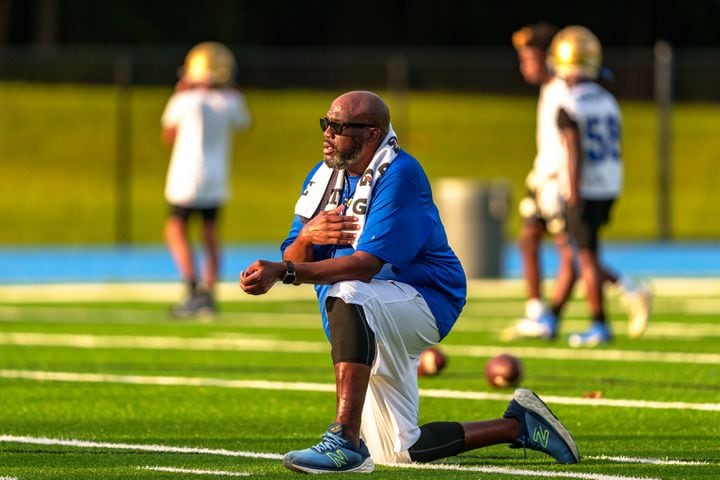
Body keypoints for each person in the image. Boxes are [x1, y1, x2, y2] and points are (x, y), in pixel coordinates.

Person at [239, 91, 579, 473]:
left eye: (338, 126)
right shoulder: (322, 178)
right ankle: (519, 425)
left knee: (350, 292)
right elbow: (294, 256)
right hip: (370, 314)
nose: (327, 133)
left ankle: (344, 438)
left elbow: (364, 266)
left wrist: (283, 272)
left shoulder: (399, 174)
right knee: (397, 451)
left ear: (371, 133)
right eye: (326, 124)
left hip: (427, 299)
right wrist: (305, 240)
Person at [510, 24, 652, 345]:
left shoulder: (566, 94)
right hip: (582, 180)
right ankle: (545, 315)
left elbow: (568, 148)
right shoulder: (597, 95)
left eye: (529, 58)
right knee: (543, 242)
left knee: (575, 255)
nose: (525, 66)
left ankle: (611, 302)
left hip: (565, 183)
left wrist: (564, 187)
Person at [162, 41, 251, 317]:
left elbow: (168, 134)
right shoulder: (233, 101)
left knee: (176, 229)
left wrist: (183, 91)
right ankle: (209, 293)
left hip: (186, 176)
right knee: (210, 233)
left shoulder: (184, 100)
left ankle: (191, 290)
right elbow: (244, 124)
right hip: (216, 176)